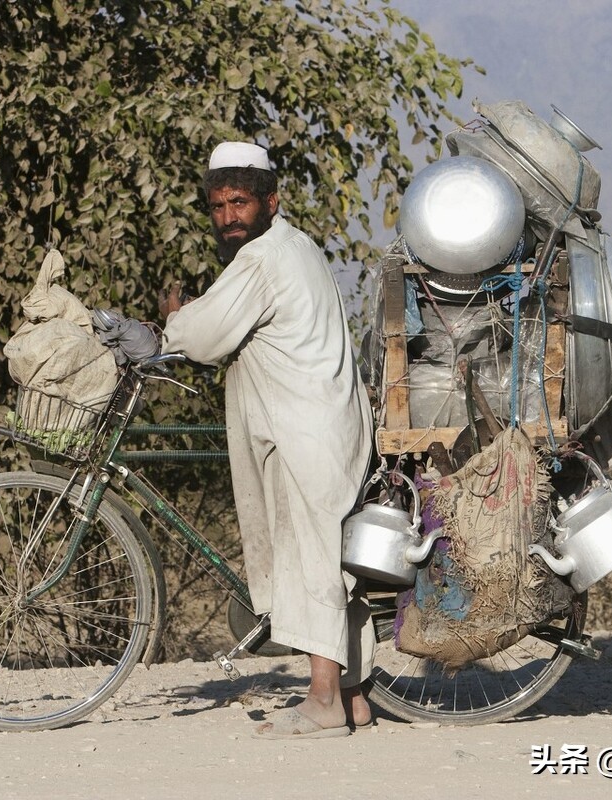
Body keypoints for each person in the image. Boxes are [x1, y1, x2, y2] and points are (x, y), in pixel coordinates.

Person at [160, 142, 375, 739]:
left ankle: (325, 701)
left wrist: (176, 315)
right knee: (327, 564)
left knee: (310, 564)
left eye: (240, 202)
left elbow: (203, 337)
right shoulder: (294, 247)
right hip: (320, 426)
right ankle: (355, 699)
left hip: (302, 432)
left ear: (269, 201)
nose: (229, 216)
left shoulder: (260, 260)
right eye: (218, 205)